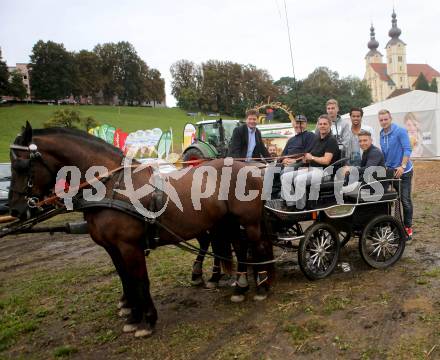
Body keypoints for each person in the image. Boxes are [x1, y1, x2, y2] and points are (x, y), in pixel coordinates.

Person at [281, 114, 341, 209]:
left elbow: (326, 161)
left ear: (330, 125)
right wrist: (305, 159)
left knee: (299, 180)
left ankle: (301, 208)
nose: (322, 126)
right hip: (311, 168)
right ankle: (291, 205)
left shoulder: (331, 141)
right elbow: (309, 156)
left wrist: (312, 158)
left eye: (325, 124)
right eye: (320, 124)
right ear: (317, 125)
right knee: (285, 177)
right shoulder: (317, 139)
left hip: (324, 172)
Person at [378, 109, 414, 240]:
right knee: (392, 199)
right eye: (381, 120)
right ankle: (394, 225)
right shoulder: (381, 134)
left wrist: (403, 166)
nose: (383, 122)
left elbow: (407, 149)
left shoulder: (400, 131)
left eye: (385, 119)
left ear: (390, 118)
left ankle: (408, 227)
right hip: (390, 172)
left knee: (405, 200)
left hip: (404, 172)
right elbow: (385, 153)